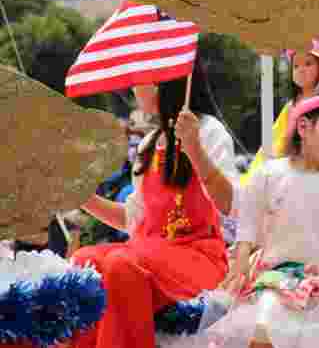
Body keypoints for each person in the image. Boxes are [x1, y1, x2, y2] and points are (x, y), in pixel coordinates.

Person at [70, 60, 238, 348]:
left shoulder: (209, 130)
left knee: (120, 264)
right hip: (148, 252)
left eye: (140, 79)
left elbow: (230, 205)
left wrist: (194, 148)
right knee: (86, 260)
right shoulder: (149, 143)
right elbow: (132, 221)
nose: (134, 87)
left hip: (198, 256)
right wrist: (81, 197)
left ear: (163, 83)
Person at [204, 90, 319, 348]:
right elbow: (248, 226)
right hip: (275, 274)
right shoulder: (268, 174)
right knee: (263, 323)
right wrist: (240, 265)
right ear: (303, 126)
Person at [240, 42, 319, 187]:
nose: (301, 70)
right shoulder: (293, 105)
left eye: (308, 64)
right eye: (296, 66)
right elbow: (286, 136)